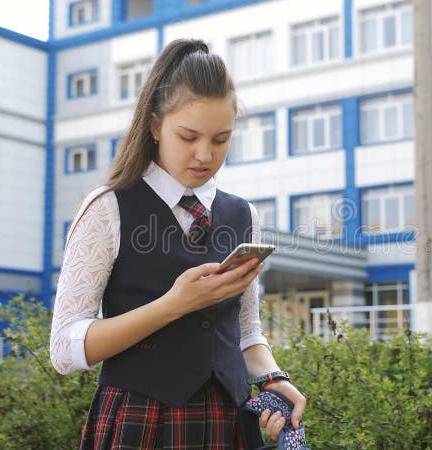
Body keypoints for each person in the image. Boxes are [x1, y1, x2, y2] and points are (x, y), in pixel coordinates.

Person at [49, 38, 306, 449]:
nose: (204, 155)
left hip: (230, 421)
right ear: (154, 126)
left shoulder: (245, 216)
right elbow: (64, 349)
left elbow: (244, 332)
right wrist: (174, 305)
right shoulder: (108, 207)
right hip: (141, 423)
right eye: (188, 136)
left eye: (221, 140)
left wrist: (274, 378)